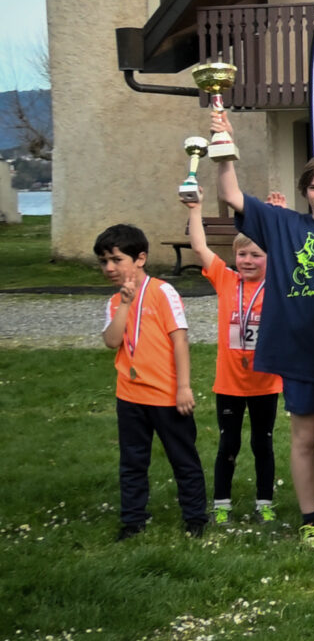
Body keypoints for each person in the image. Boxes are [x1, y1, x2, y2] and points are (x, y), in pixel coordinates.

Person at [211, 108, 314, 546]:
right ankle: (310, 519)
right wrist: (223, 148)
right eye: (313, 187)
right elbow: (233, 194)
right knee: (304, 437)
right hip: (299, 350)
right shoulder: (283, 223)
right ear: (304, 191)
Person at [96, 222, 208, 539]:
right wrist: (126, 304)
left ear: (140, 258)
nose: (109, 267)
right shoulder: (115, 301)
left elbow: (180, 340)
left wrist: (183, 387)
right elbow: (111, 341)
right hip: (129, 396)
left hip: (167, 396)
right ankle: (133, 522)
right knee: (132, 463)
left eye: (116, 259)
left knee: (183, 460)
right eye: (104, 261)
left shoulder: (163, 292)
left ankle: (196, 519)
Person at [185, 193, 279, 526]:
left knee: (262, 445)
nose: (248, 260)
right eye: (242, 254)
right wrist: (196, 210)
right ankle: (221, 503)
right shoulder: (226, 280)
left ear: (270, 258)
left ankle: (264, 502)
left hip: (265, 383)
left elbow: (290, 252)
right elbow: (199, 247)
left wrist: (275, 218)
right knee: (229, 443)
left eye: (256, 254)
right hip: (229, 384)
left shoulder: (276, 286)